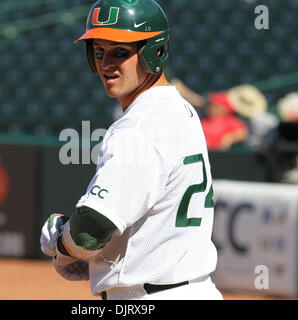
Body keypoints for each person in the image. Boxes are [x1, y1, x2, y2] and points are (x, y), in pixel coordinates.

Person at [40, 0, 222, 300]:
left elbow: (91, 229)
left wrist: (59, 240)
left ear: (156, 51)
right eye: (99, 52)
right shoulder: (180, 108)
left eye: (120, 52)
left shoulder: (139, 126)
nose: (106, 63)